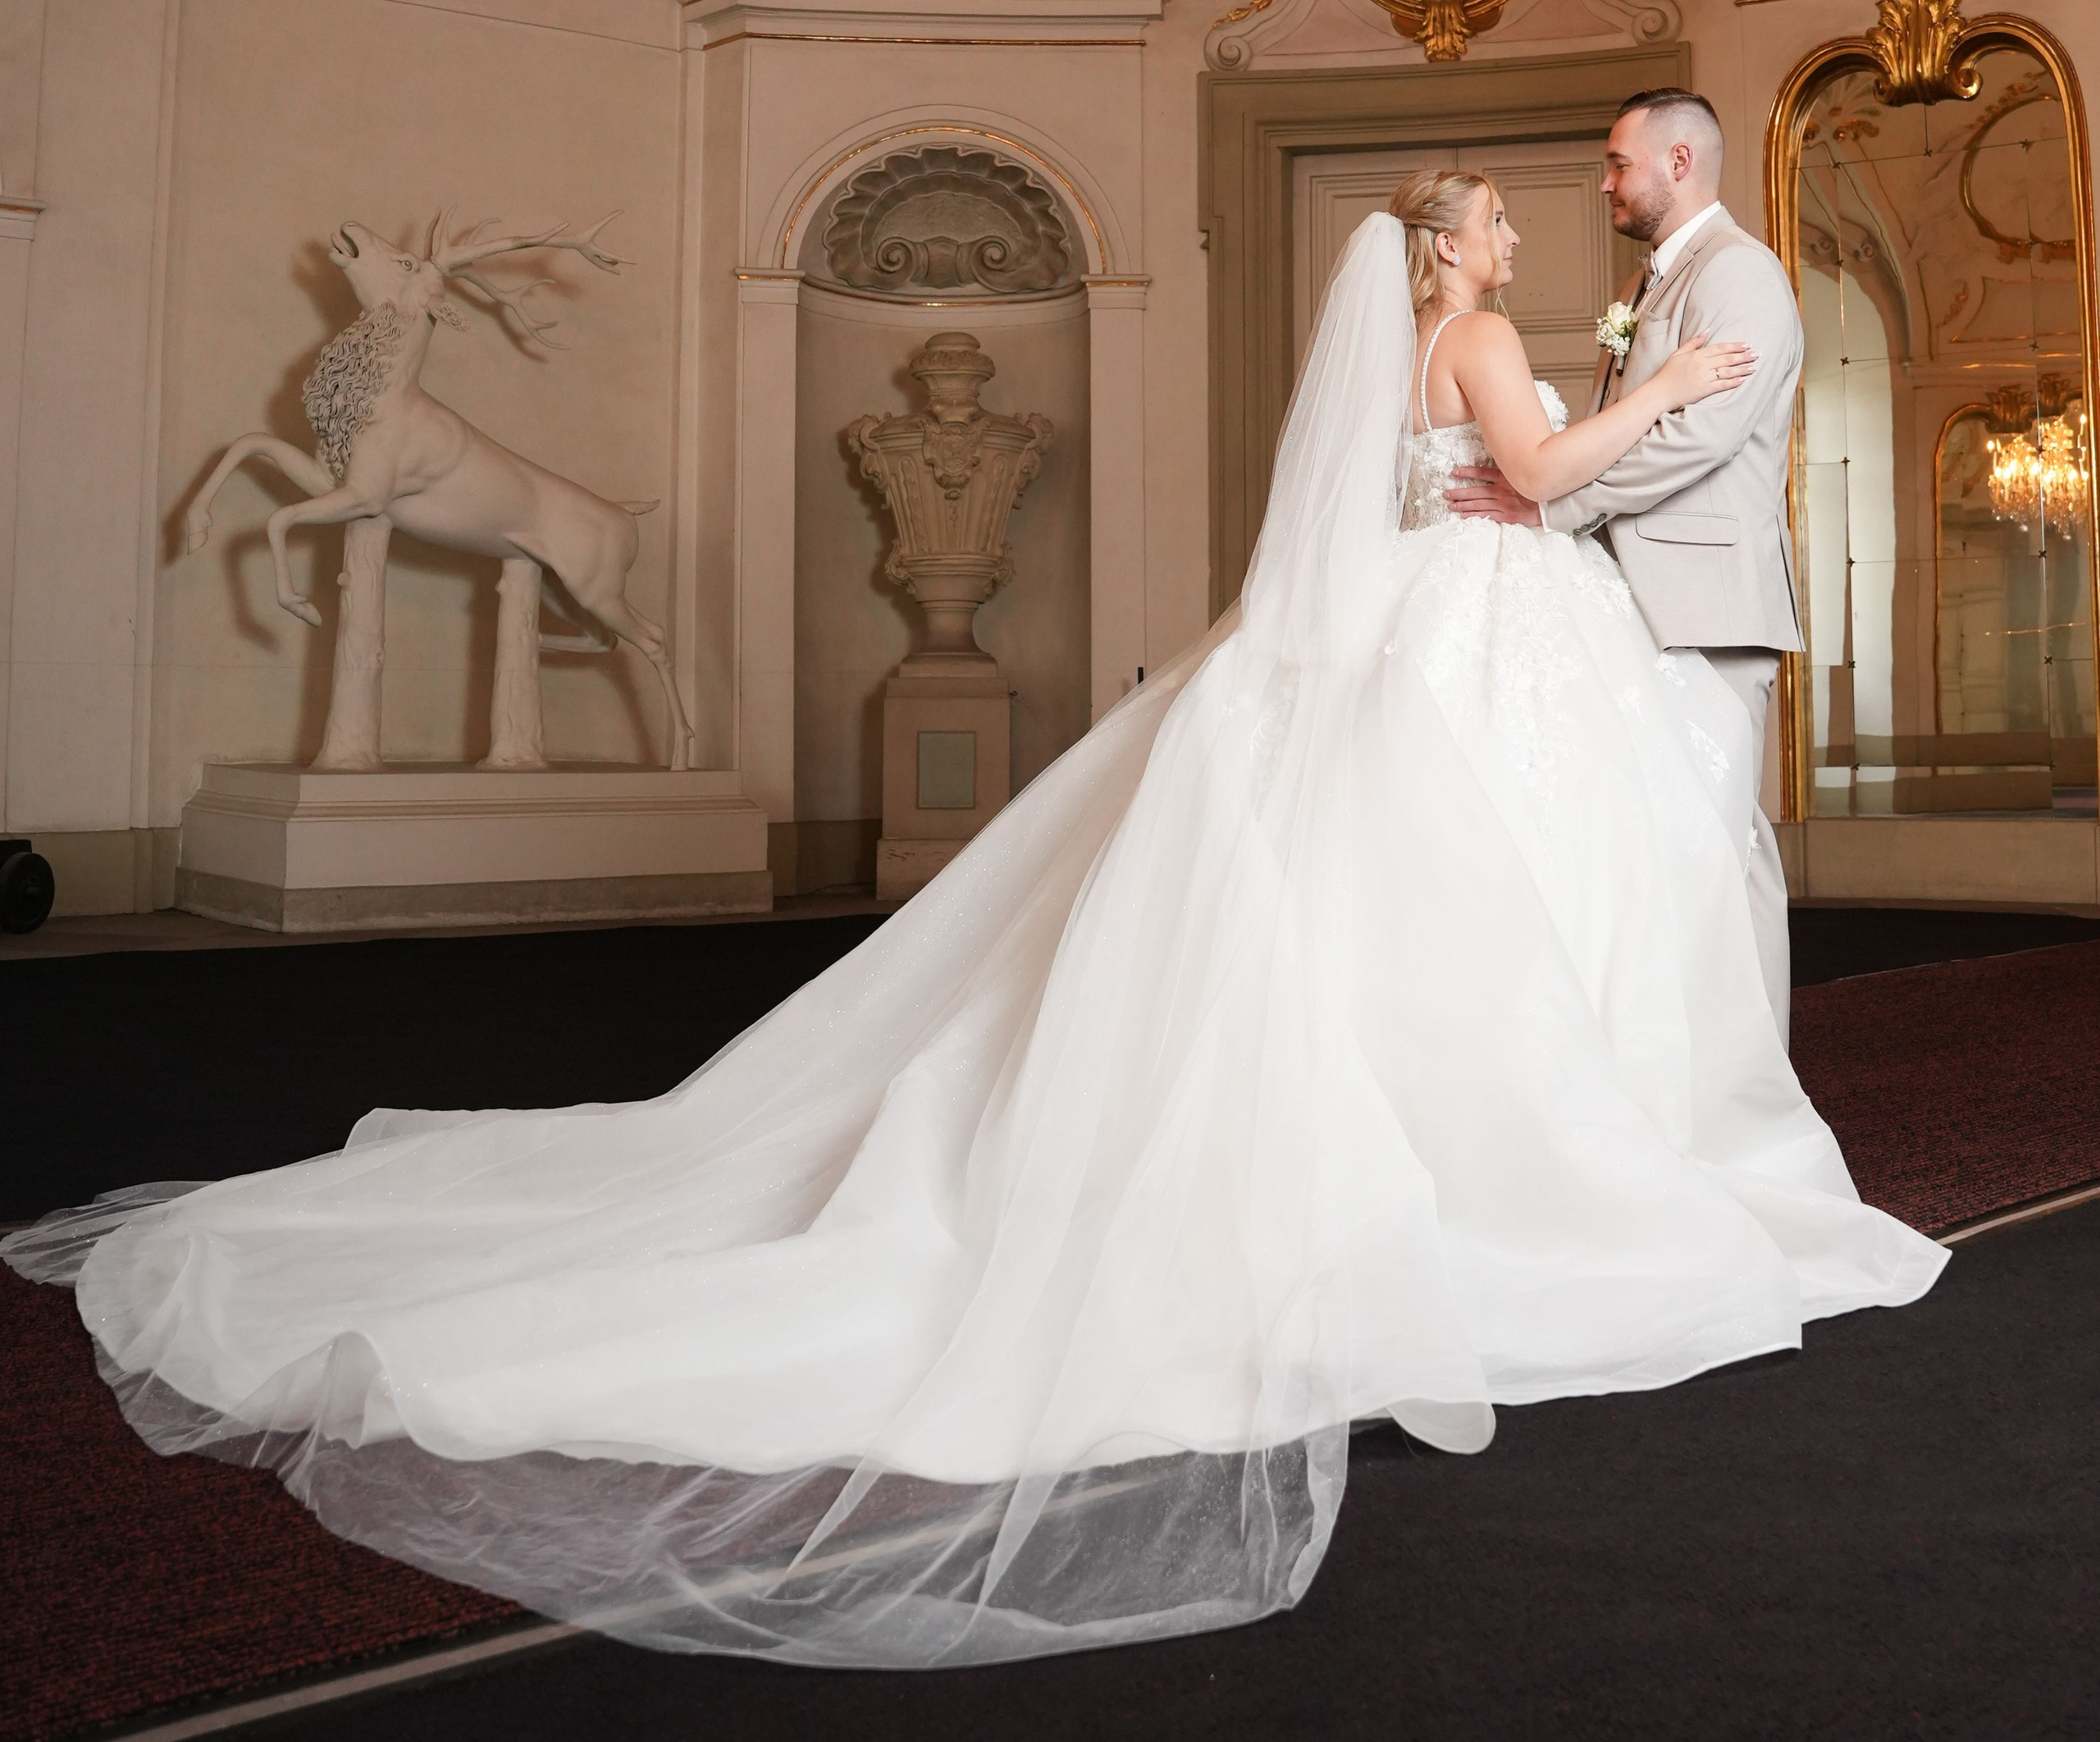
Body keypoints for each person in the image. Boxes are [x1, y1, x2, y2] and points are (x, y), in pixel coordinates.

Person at [4, 171, 1942, 1672]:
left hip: (1411, 631)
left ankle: (1390, 1163)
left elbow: (1416, 505)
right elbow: (1532, 476)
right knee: (1454, 933)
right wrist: (1670, 388)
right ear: (1452, 252)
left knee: (1374, 930)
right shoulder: (1490, 339)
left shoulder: (1398, 354)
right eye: (1495, 217)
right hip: (1472, 631)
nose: (1516, 225)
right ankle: (1461, 1189)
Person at [1446, 89, 1802, 1035]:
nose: (1604, 181)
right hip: (1631, 601)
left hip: (1706, 601)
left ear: (1678, 164)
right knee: (1664, 849)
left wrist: (1551, 502)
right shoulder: (1650, 282)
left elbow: (1702, 440)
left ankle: (1754, 1069)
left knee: (1722, 851)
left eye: (1617, 164)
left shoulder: (1741, 276)